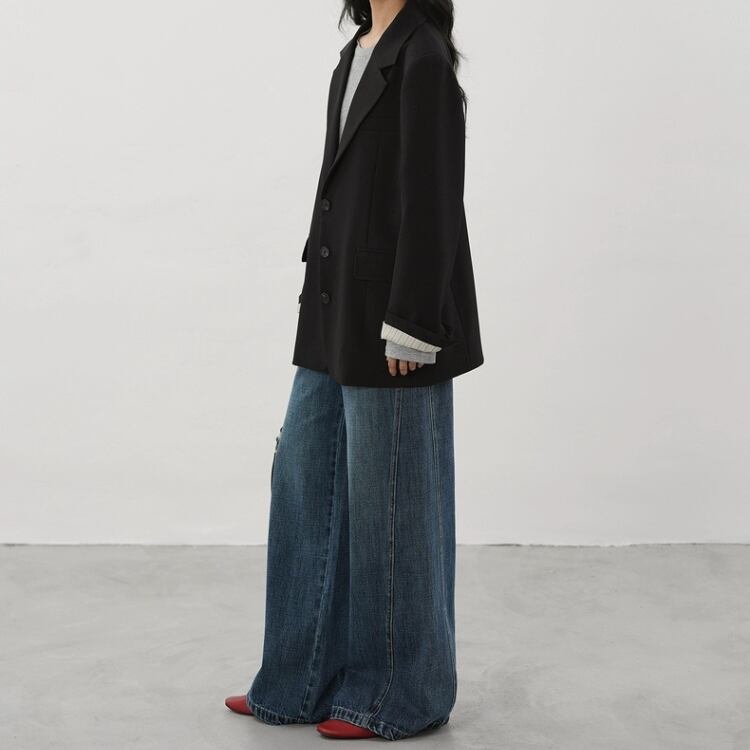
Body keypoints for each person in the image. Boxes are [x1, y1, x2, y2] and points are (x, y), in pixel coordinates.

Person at [225, 0, 483, 740]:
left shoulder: (424, 57)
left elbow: (435, 200)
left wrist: (414, 323)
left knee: (392, 507)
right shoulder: (357, 50)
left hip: (395, 321)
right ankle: (297, 682)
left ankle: (401, 694)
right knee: (302, 481)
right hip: (334, 312)